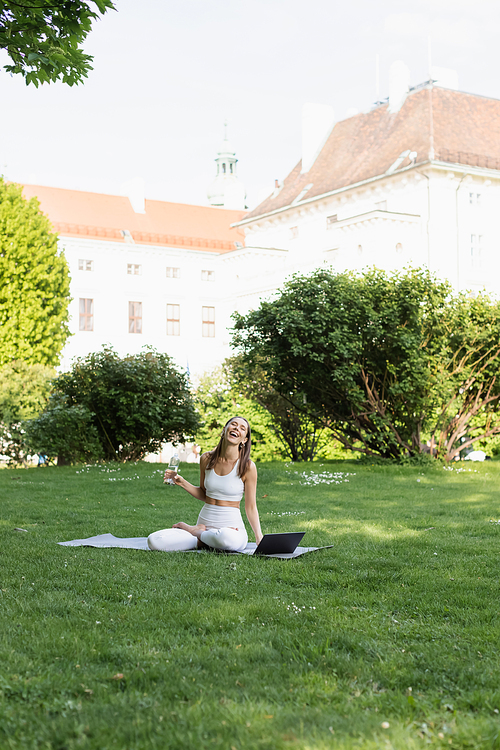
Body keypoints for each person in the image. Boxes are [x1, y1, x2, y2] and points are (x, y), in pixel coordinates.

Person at [147, 416, 263, 552]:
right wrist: (181, 482)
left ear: (244, 439)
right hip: (205, 523)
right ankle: (205, 538)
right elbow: (204, 493)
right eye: (234, 425)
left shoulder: (248, 466)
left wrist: (258, 535)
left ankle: (196, 534)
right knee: (155, 541)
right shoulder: (206, 459)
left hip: (231, 528)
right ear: (225, 430)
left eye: (242, 428)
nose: (237, 428)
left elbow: (250, 506)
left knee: (227, 539)